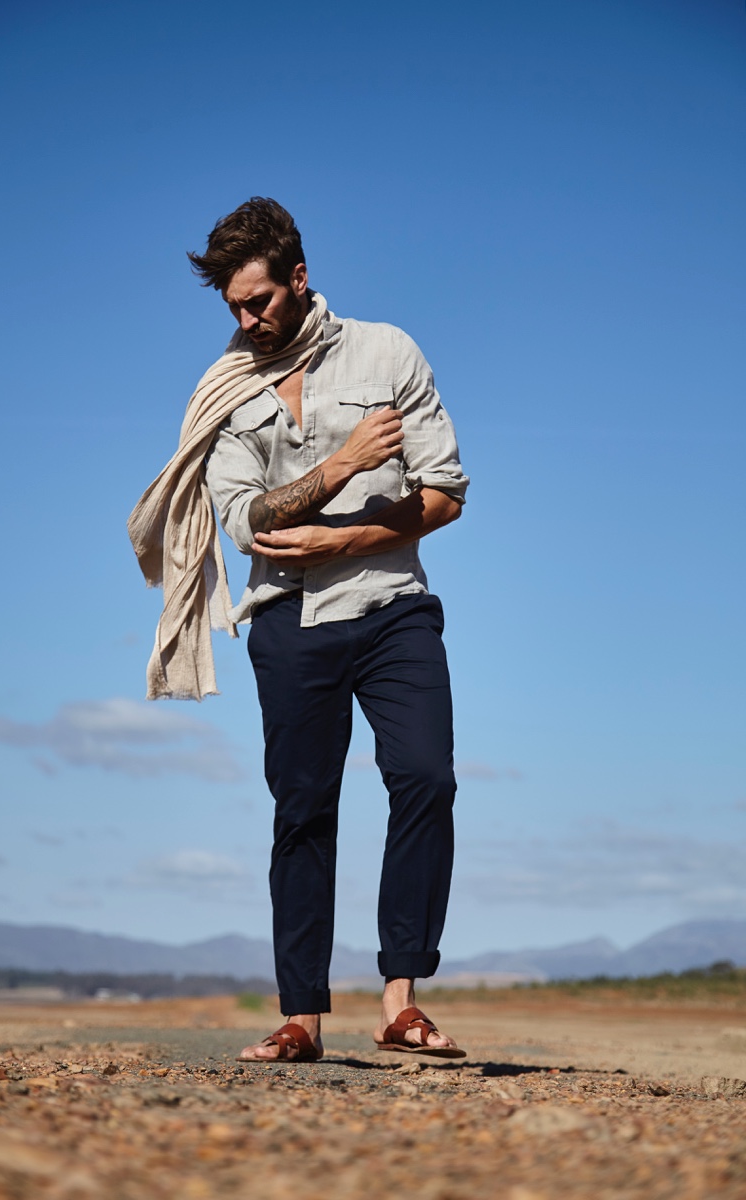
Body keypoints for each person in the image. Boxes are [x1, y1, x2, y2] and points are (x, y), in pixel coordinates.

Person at [129, 197, 469, 1062]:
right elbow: (249, 523)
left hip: (393, 605)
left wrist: (345, 535)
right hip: (288, 621)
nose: (248, 320)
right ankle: (302, 1019)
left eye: (261, 301)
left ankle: (401, 1002)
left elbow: (445, 492)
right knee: (305, 809)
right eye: (235, 308)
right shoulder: (228, 392)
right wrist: (347, 464)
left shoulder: (387, 352)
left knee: (425, 777)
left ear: (300, 277)